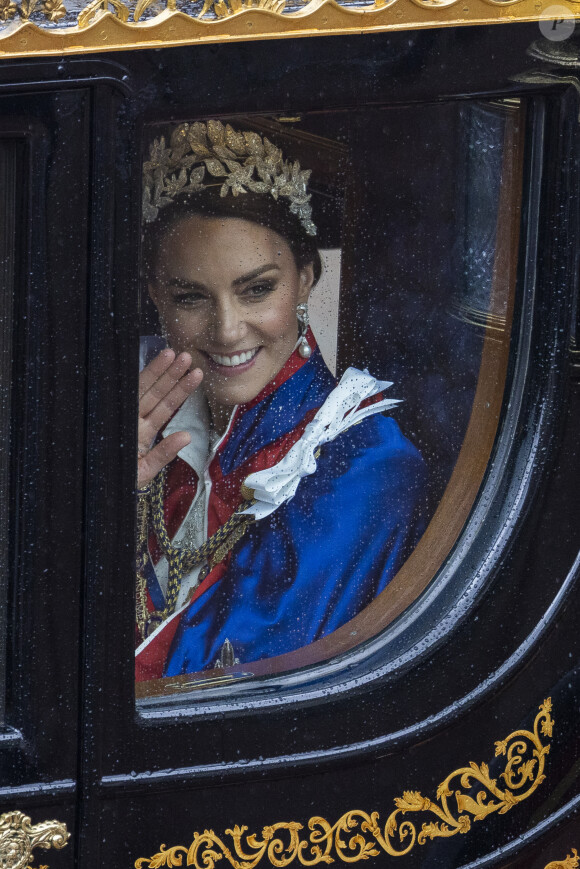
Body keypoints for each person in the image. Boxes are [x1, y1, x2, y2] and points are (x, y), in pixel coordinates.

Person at [135, 120, 426, 682]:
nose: (226, 330)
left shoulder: (368, 465)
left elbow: (220, 694)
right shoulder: (151, 425)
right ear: (156, 297)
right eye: (191, 297)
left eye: (257, 289)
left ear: (305, 281)